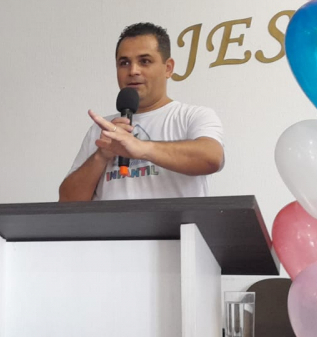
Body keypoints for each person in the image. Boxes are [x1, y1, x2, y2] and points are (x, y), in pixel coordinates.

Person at [58, 22, 225, 202]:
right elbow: (67, 202)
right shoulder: (102, 129)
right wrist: (101, 155)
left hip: (173, 222)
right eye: (124, 63)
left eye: (144, 61)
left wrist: (142, 148)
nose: (133, 71)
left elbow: (212, 158)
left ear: (168, 68)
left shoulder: (192, 116)